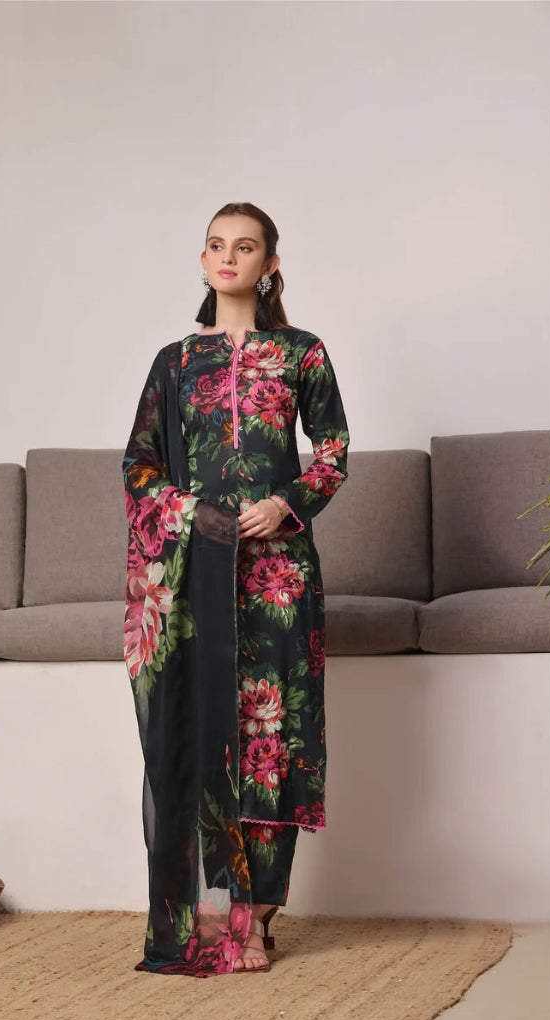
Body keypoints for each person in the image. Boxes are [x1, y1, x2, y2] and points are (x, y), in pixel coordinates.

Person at [122, 201, 350, 977]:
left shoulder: (301, 353)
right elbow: (140, 467)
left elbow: (333, 451)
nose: (228, 257)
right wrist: (198, 516)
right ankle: (215, 913)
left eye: (244, 246)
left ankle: (260, 918)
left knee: (272, 739)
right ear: (202, 260)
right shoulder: (174, 362)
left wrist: (285, 504)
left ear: (268, 264)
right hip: (196, 576)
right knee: (207, 736)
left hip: (279, 576)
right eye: (216, 245)